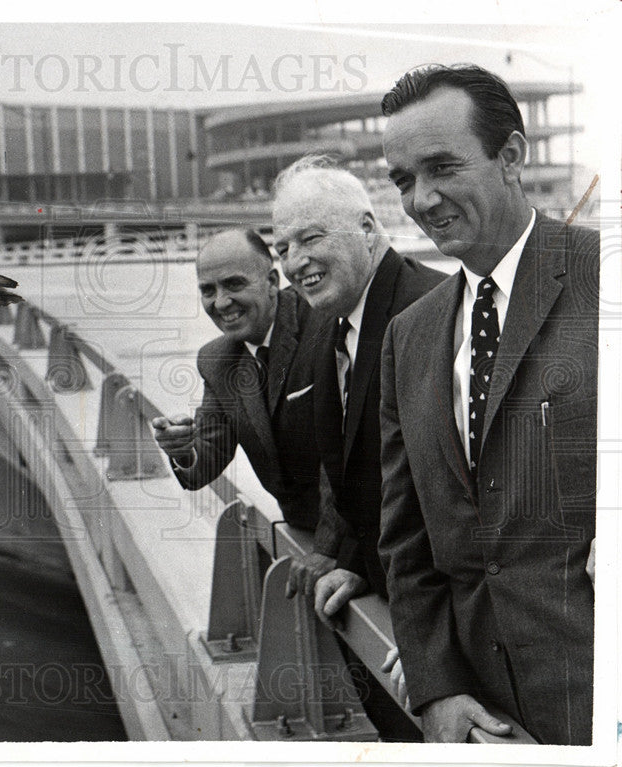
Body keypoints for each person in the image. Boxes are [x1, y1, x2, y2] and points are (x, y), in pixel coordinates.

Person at [378, 63, 599, 745]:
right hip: (484, 721)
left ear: (511, 156)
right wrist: (435, 683)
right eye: (404, 180)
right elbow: (407, 540)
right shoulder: (409, 336)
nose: (422, 199)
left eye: (442, 167)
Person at [273, 156, 444, 741]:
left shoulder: (435, 311)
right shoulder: (329, 325)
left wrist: (438, 639)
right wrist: (350, 560)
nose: (295, 262)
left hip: (445, 635)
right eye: (282, 248)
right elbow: (354, 470)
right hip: (383, 601)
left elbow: (471, 504)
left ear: (369, 229)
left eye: (311, 237)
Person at [151, 228, 324, 531]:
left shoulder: (323, 323)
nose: (220, 303)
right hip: (304, 531)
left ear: (272, 281)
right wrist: (182, 449)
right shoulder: (218, 360)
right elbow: (208, 458)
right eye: (208, 290)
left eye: (234, 284)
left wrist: (331, 549)